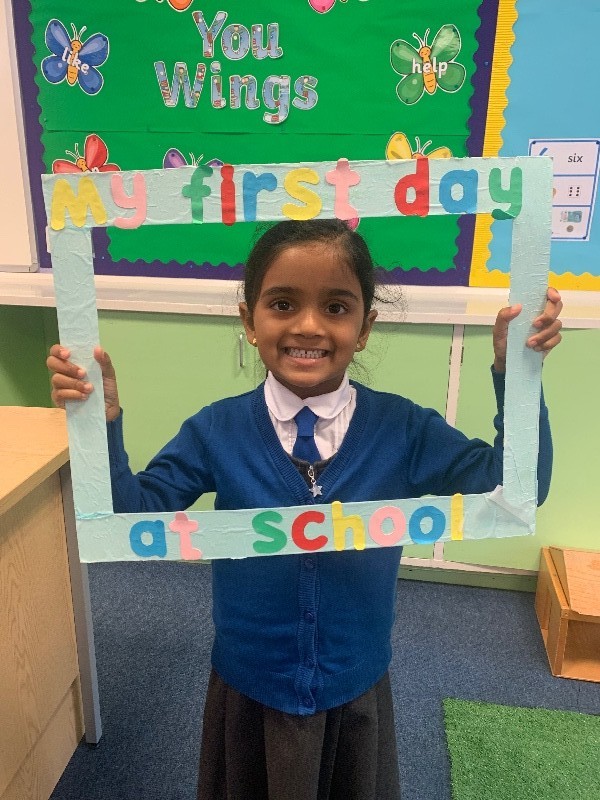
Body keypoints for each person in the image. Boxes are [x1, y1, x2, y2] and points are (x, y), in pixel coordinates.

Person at [47, 219, 563, 800]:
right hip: (251, 686)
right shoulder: (216, 430)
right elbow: (131, 515)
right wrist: (100, 424)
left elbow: (518, 487)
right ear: (249, 320)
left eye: (336, 307)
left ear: (365, 327)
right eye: (283, 304)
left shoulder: (402, 428)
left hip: (352, 684)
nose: (309, 326)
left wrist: (516, 377)